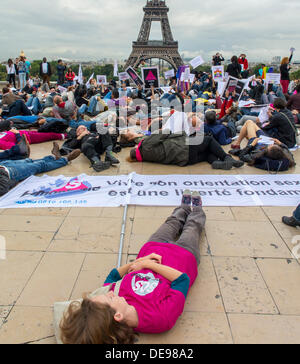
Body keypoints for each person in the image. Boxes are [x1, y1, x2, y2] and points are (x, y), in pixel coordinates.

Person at [59, 191, 206, 344]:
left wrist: (140, 261)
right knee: (192, 228)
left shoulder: (112, 300)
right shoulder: (160, 318)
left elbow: (114, 275)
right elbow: (182, 280)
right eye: (109, 298)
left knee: (171, 222)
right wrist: (147, 264)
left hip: (152, 249)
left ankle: (183, 208)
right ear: (118, 316)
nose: (109, 293)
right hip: (183, 257)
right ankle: (196, 211)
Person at [128, 133, 244, 170]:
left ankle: (215, 162)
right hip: (185, 146)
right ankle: (226, 157)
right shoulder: (144, 145)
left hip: (185, 160)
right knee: (208, 140)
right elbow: (165, 132)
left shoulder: (146, 157)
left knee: (208, 151)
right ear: (135, 148)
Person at [0, 145, 81, 197]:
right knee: (40, 166)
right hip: (11, 172)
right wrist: (14, 180)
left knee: (30, 161)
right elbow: (3, 188)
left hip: (4, 165)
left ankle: (54, 157)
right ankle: (65, 159)